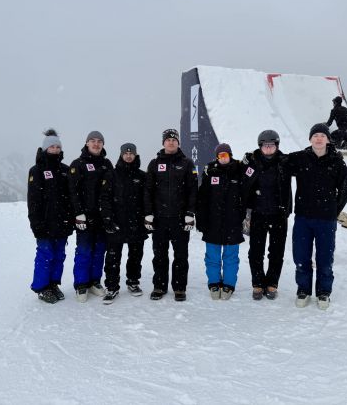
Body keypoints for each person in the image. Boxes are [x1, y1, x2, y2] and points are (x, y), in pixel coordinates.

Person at [287, 123, 347, 310]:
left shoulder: (337, 162)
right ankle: (303, 290)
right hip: (303, 218)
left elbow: (345, 191)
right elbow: (276, 162)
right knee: (301, 255)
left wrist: (333, 211)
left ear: (328, 139)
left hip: (326, 220)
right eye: (315, 135)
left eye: (322, 135)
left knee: (325, 257)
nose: (319, 138)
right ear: (310, 139)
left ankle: (324, 291)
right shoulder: (300, 158)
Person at [144, 129, 198, 302]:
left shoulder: (188, 163)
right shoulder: (154, 164)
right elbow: (148, 191)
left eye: (174, 139)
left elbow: (193, 191)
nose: (171, 142)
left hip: (180, 219)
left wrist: (190, 213)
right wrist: (148, 214)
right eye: (168, 140)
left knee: (181, 255)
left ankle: (179, 288)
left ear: (178, 143)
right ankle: (159, 286)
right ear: (163, 143)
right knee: (159, 254)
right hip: (159, 219)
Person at [241, 130, 292, 301]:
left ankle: (272, 283)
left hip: (279, 214)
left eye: (272, 145)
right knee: (255, 251)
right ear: (260, 146)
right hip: (258, 214)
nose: (268, 149)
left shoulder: (285, 162)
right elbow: (238, 175)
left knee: (276, 252)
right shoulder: (251, 162)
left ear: (277, 146)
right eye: (265, 145)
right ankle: (257, 283)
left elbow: (306, 159)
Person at [27, 129, 74, 303]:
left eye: (57, 147)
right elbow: (33, 200)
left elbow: (71, 198)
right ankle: (41, 287)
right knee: (45, 254)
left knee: (59, 255)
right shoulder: (37, 170)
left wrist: (70, 219)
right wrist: (36, 223)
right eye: (52, 146)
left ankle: (53, 284)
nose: (55, 149)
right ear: (45, 148)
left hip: (62, 222)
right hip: (45, 223)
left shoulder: (65, 170)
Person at [99, 143, 148, 304]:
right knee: (113, 257)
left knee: (135, 256)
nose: (128, 156)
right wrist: (107, 219)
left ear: (135, 155)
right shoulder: (111, 175)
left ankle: (133, 282)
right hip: (116, 223)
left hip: (136, 224)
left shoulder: (142, 176)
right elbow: (104, 199)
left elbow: (147, 200)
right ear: (121, 155)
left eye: (131, 153)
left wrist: (147, 218)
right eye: (125, 153)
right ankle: (112, 287)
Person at [196, 143, 245, 300]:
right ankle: (214, 283)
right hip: (213, 223)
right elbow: (202, 198)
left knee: (231, 256)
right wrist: (201, 220)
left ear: (230, 155)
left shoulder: (239, 171)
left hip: (233, 223)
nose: (223, 158)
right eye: (220, 156)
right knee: (212, 256)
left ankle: (229, 284)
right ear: (217, 157)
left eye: (226, 155)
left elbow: (245, 196)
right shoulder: (210, 171)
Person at [70, 131, 114, 303]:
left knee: (99, 251)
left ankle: (94, 281)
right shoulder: (78, 164)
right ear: (87, 143)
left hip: (103, 217)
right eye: (92, 141)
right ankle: (81, 284)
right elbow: (73, 192)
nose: (96, 144)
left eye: (99, 141)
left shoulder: (106, 164)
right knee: (84, 251)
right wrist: (78, 213)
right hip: (85, 217)